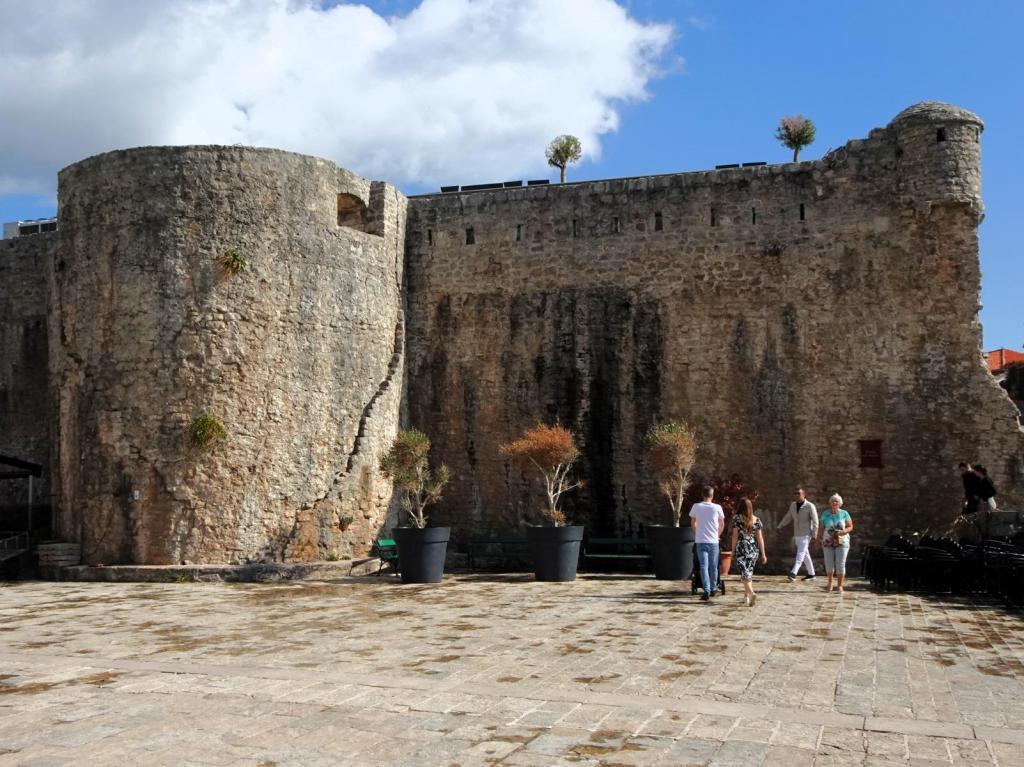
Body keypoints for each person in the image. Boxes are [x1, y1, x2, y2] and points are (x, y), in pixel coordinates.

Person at [689, 485, 725, 602]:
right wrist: (717, 535)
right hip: (713, 541)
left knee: (703, 566)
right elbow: (722, 524)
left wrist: (697, 532)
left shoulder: (696, 506)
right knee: (713, 566)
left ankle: (706, 590)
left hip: (701, 540)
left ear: (702, 494)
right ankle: (713, 588)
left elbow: (693, 523)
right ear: (712, 495)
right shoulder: (717, 507)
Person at [730, 497, 767, 607]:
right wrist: (763, 553)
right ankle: (746, 597)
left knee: (744, 573)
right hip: (753, 548)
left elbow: (735, 536)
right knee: (748, 572)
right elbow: (760, 538)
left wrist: (732, 551)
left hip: (741, 547)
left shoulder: (737, 518)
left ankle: (751, 593)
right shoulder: (757, 520)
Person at [778, 487, 818, 582]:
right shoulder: (793, 505)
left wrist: (814, 535)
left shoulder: (810, 506)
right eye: (795, 493)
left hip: (806, 534)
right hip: (797, 533)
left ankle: (793, 573)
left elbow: (815, 521)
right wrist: (780, 526)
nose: (796, 495)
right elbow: (788, 517)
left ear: (804, 495)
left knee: (800, 554)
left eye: (798, 493)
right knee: (805, 554)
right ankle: (811, 574)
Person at [817, 493, 854, 593]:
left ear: (840, 503)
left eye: (836, 501)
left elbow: (850, 526)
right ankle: (829, 583)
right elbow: (821, 528)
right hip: (828, 541)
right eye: (832, 501)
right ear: (830, 503)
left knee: (840, 564)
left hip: (842, 541)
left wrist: (844, 531)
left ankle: (840, 585)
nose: (834, 503)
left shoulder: (844, 513)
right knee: (829, 563)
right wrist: (817, 539)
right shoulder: (825, 514)